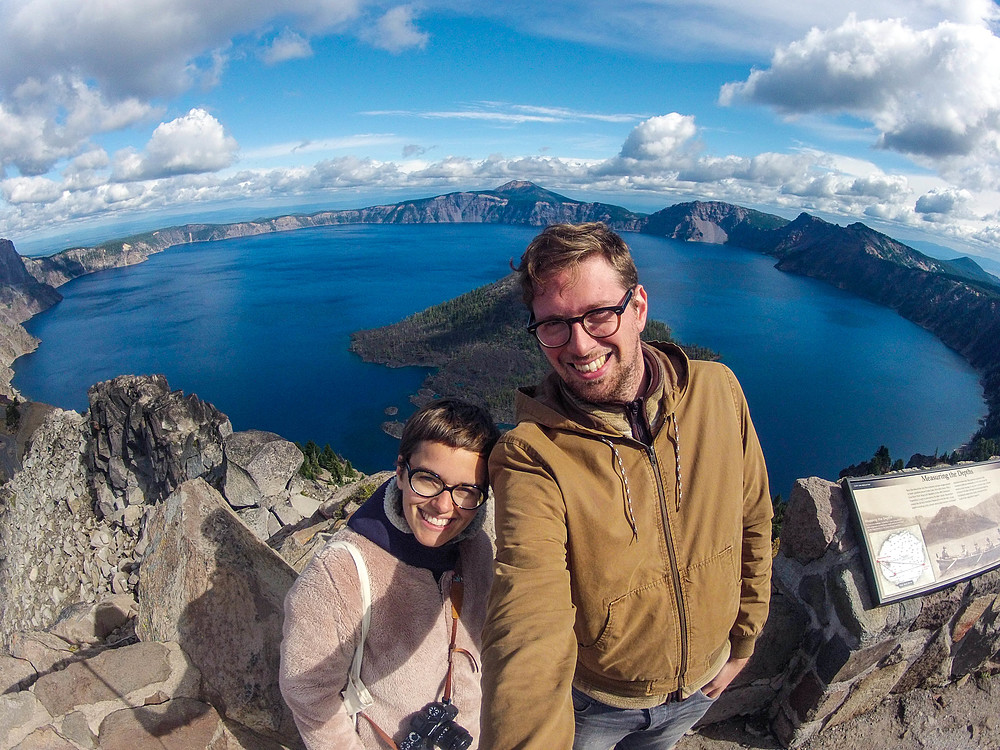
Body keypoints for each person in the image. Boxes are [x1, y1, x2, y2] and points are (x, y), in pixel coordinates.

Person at [480, 222, 772, 749]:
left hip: (702, 686)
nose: (579, 343)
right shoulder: (531, 455)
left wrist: (744, 640)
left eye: (599, 314)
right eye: (553, 325)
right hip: (598, 703)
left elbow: (753, 516)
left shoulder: (718, 392)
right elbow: (528, 616)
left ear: (638, 307)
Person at [280, 398, 500, 750]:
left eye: (466, 490)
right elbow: (307, 690)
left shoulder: (476, 550)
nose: (444, 506)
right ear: (400, 472)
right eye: (428, 480)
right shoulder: (340, 574)